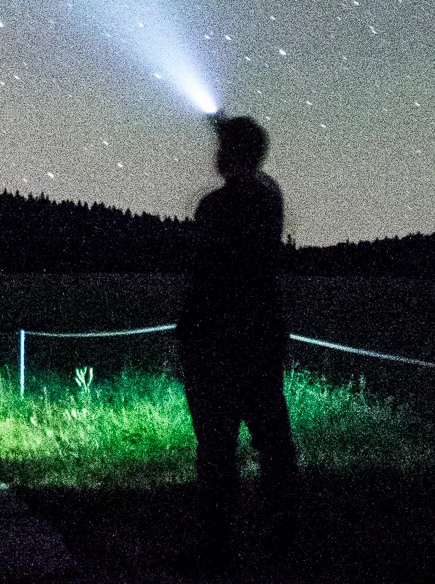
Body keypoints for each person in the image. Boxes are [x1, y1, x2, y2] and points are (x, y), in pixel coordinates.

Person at [176, 112, 299, 572]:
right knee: (272, 439)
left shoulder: (217, 207)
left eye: (221, 148)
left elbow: (207, 275)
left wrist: (189, 330)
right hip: (261, 335)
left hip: (216, 340)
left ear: (229, 154)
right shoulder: (269, 198)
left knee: (215, 447)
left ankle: (217, 548)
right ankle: (282, 540)